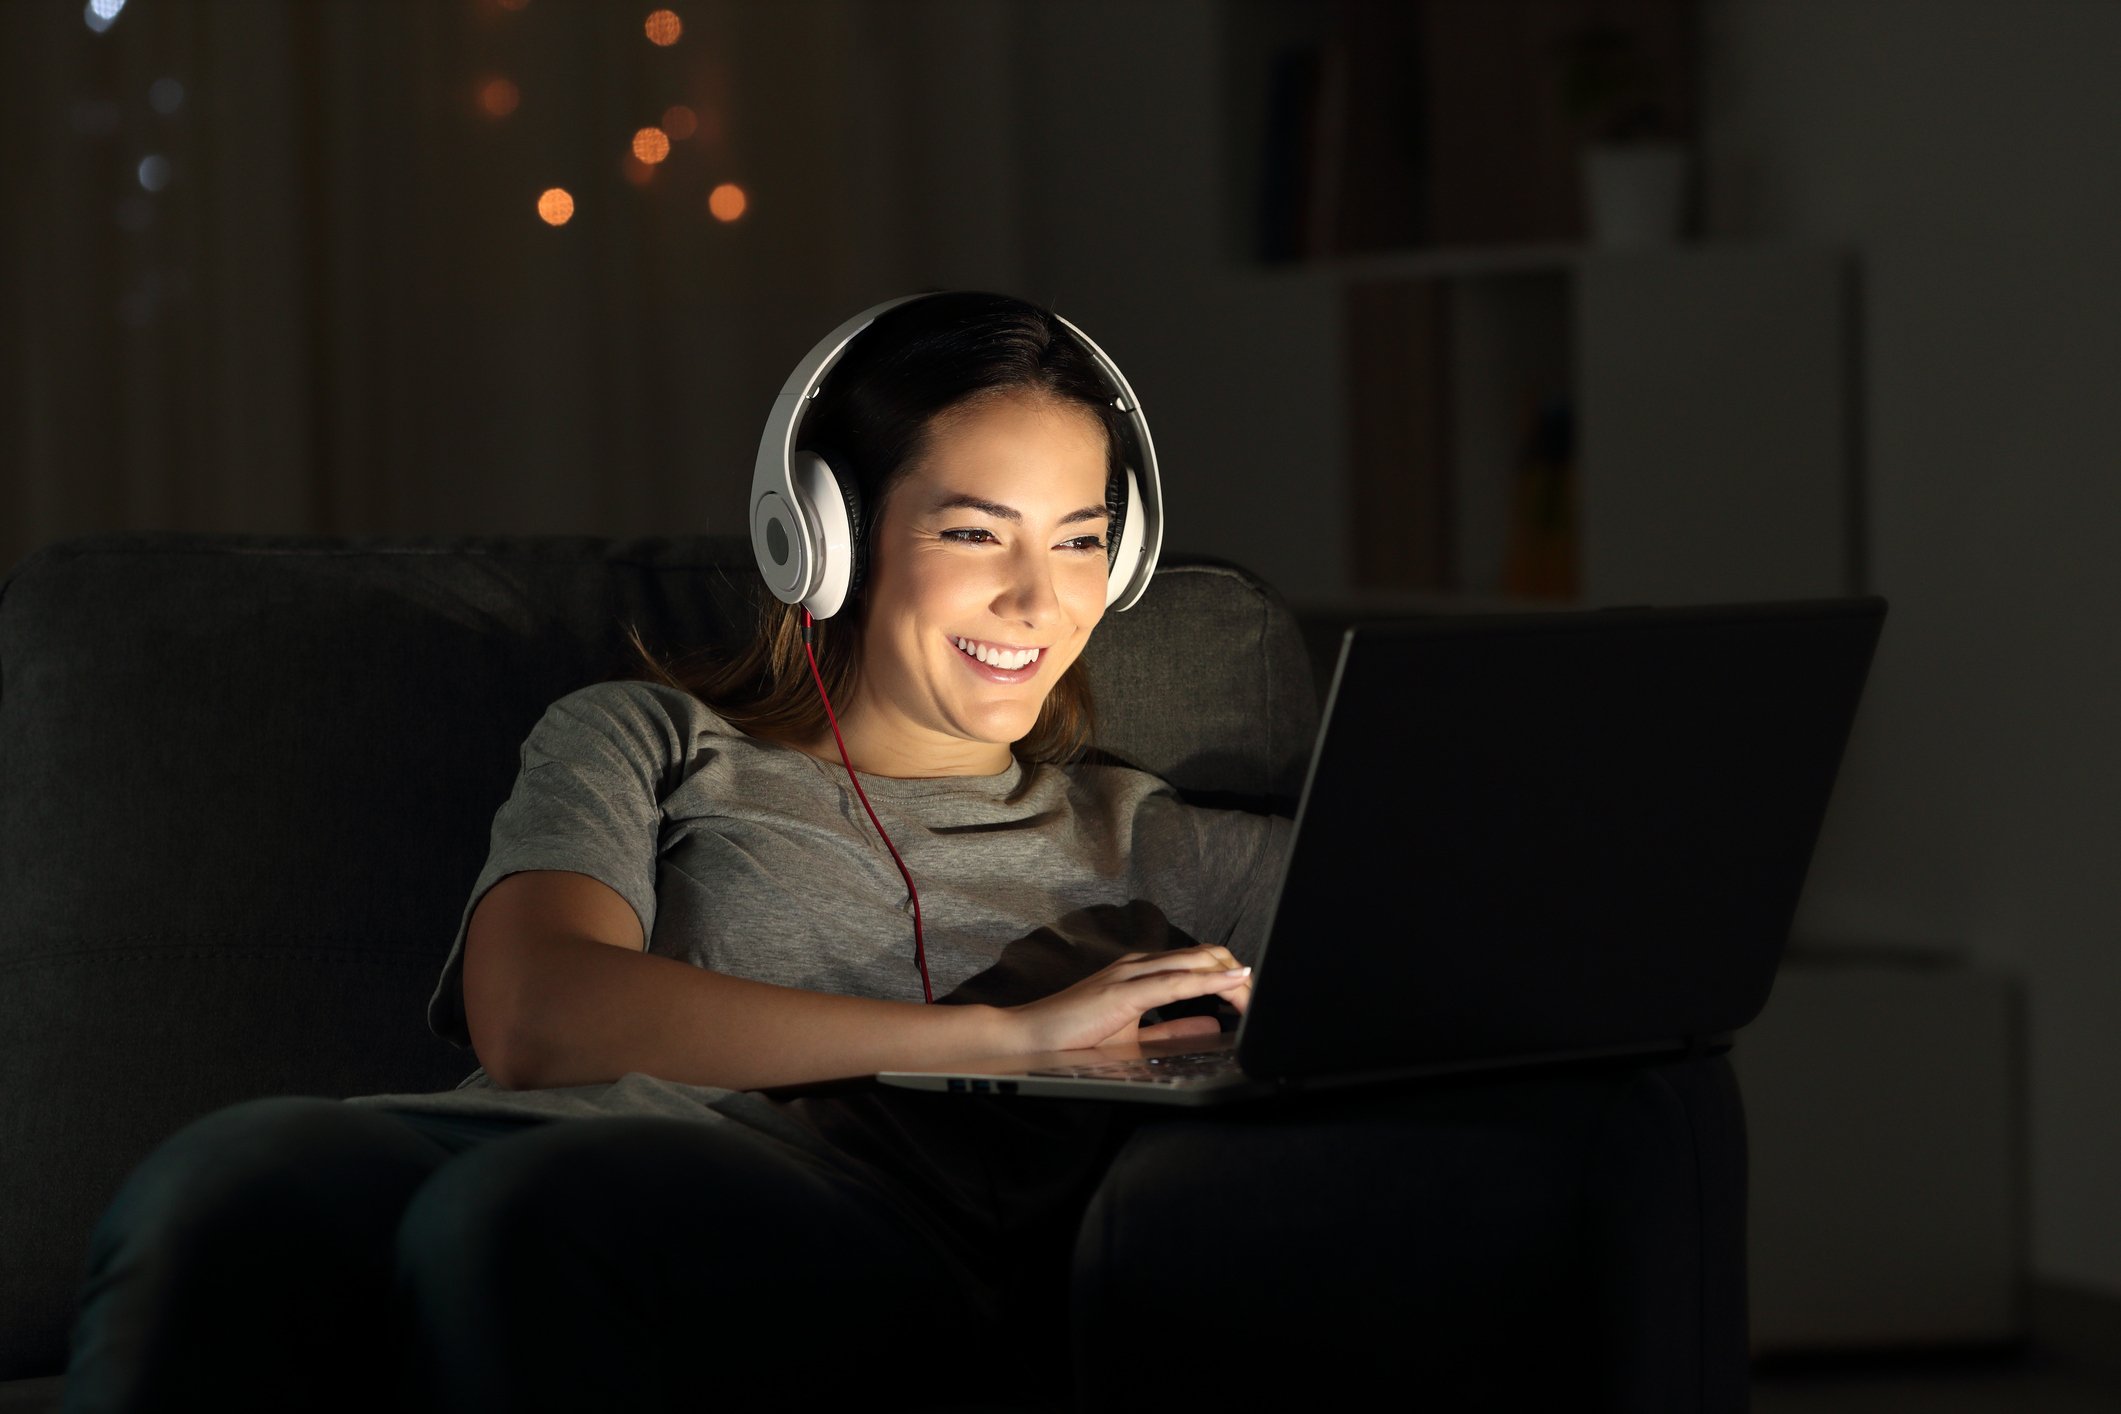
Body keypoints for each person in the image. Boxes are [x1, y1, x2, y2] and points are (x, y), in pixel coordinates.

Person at [61, 291, 1290, 1414]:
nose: (1040, 599)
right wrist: (1009, 1039)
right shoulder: (642, 739)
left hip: (809, 1222)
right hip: (506, 1138)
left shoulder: (1161, 842)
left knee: (523, 1218)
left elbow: (1397, 922)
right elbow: (539, 1015)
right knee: (228, 1175)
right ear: (827, 537)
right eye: (976, 534)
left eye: (1080, 540)